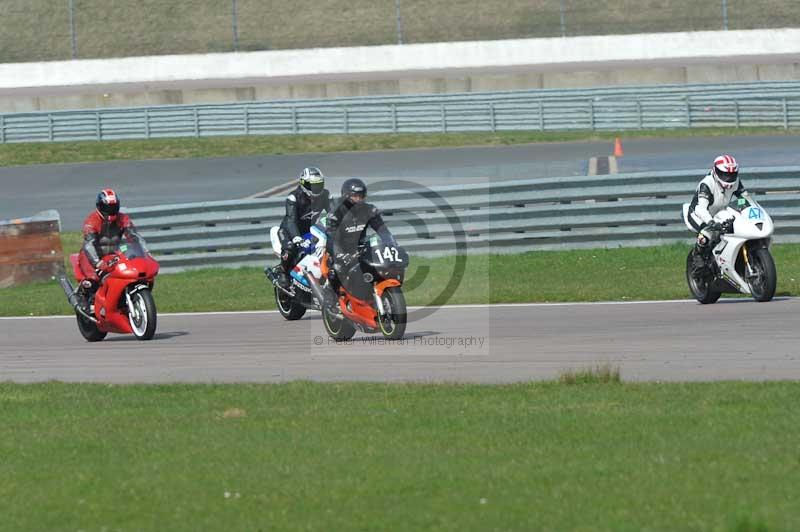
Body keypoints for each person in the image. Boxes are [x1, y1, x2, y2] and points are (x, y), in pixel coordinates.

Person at [325, 178, 397, 307]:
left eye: (361, 196)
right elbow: (331, 237)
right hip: (341, 249)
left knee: (380, 266)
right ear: (346, 196)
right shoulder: (336, 213)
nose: (358, 199)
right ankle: (331, 297)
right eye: (355, 196)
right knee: (336, 269)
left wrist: (391, 244)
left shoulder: (369, 210)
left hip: (361, 248)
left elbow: (383, 231)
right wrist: (340, 254)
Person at [76, 188, 144, 309]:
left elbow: (134, 237)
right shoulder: (92, 221)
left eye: (113, 207)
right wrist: (97, 263)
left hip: (112, 254)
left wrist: (144, 253)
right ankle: (83, 296)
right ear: (100, 206)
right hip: (90, 255)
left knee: (126, 273)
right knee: (93, 279)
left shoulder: (123, 219)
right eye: (107, 208)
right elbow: (89, 245)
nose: (111, 211)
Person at [267, 167, 331, 288]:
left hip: (309, 230)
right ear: (304, 184)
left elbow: (333, 214)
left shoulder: (325, 195)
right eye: (313, 186)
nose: (316, 189)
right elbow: (291, 220)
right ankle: (283, 273)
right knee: (290, 247)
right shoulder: (294, 197)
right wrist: (296, 237)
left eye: (319, 185)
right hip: (288, 230)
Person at [686, 154, 748, 271]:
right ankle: (697, 254)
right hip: (697, 214)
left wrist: (744, 208)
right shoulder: (707, 184)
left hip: (719, 212)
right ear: (716, 171)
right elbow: (701, 209)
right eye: (725, 174)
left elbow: (744, 199)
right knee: (707, 233)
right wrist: (710, 221)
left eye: (731, 175)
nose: (729, 178)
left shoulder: (736, 182)